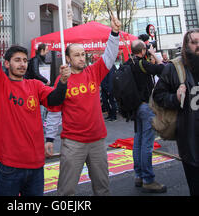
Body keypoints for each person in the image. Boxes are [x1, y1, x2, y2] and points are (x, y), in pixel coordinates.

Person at [0, 12, 71, 197]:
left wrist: (63, 82)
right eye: (17, 60)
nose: (22, 64)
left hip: (36, 164)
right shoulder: (0, 85)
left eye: (25, 60)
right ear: (7, 64)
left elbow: (55, 100)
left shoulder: (35, 85)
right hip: (9, 165)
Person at [45, 16, 121, 196]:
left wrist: (115, 33)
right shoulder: (61, 80)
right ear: (68, 58)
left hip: (98, 141)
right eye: (77, 55)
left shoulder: (94, 72)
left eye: (83, 54)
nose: (81, 58)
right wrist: (49, 138)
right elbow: (54, 111)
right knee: (66, 190)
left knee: (102, 188)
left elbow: (109, 55)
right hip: (72, 143)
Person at [153, 28, 199, 196]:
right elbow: (158, 95)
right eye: (194, 42)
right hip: (190, 138)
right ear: (186, 45)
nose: (198, 46)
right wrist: (175, 98)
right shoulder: (174, 68)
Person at [128, 39, 166, 193]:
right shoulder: (143, 64)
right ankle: (148, 179)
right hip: (146, 106)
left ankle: (139, 175)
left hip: (135, 107)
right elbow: (163, 69)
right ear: (143, 51)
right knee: (147, 144)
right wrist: (153, 54)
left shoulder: (128, 63)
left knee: (138, 141)